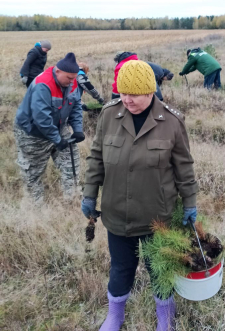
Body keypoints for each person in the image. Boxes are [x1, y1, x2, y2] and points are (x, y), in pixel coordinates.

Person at [81, 60, 198, 331]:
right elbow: (96, 157)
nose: (127, 100)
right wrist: (89, 194)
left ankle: (165, 317)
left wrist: (190, 201)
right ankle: (115, 315)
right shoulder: (110, 115)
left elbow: (184, 167)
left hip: (157, 215)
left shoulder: (171, 122)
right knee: (121, 268)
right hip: (117, 212)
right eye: (123, 93)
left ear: (150, 92)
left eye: (134, 94)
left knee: (159, 268)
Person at [14, 53, 84, 204]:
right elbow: (41, 118)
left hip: (59, 127)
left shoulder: (72, 82)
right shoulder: (43, 84)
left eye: (74, 78)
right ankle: (36, 209)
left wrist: (78, 129)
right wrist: (57, 140)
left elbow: (77, 105)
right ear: (57, 71)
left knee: (71, 165)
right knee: (33, 173)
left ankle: (72, 201)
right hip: (33, 133)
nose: (72, 82)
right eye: (69, 78)